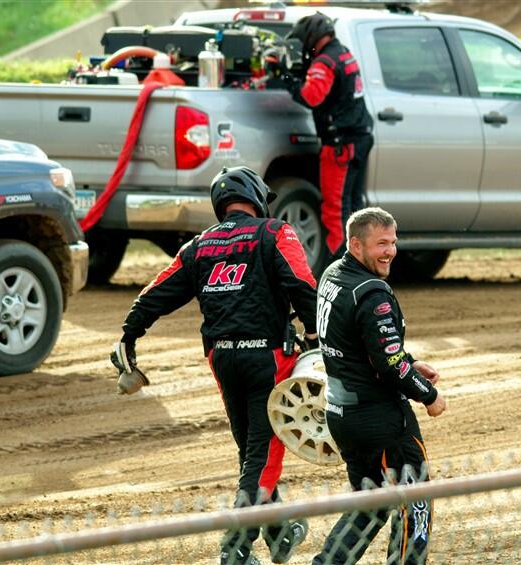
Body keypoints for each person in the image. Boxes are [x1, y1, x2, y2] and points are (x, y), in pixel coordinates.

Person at [110, 166, 319, 565]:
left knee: (251, 451)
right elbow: (301, 284)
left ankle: (279, 533)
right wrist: (313, 338)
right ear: (256, 197)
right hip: (268, 358)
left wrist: (129, 333)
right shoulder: (275, 232)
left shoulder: (199, 245)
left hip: (222, 358)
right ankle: (235, 548)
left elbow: (157, 292)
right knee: (264, 451)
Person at [311, 207, 447, 564]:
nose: (390, 251)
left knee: (369, 502)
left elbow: (364, 344)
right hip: (382, 421)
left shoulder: (332, 275)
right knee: (416, 500)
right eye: (380, 244)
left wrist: (410, 360)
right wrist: (428, 394)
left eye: (393, 242)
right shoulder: (372, 294)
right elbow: (389, 364)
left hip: (342, 414)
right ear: (356, 245)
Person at [282, 12, 375, 262]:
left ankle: (341, 269)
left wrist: (286, 78)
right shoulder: (342, 53)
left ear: (313, 37)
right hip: (360, 137)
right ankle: (362, 265)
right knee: (355, 206)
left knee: (335, 211)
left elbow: (311, 96)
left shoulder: (324, 62)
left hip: (341, 144)